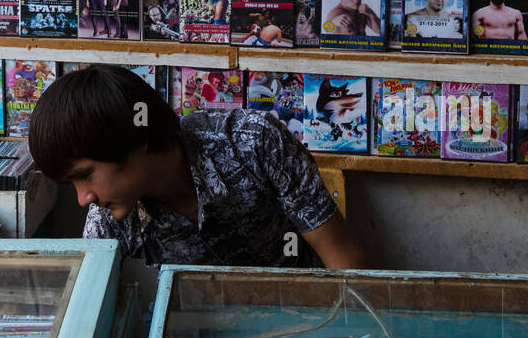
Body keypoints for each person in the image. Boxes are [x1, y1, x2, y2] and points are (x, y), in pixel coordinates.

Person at [28, 65, 366, 268]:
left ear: (138, 141)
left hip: (300, 322)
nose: (83, 198)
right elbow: (87, 303)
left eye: (85, 176)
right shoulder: (108, 218)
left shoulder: (254, 142)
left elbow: (343, 257)